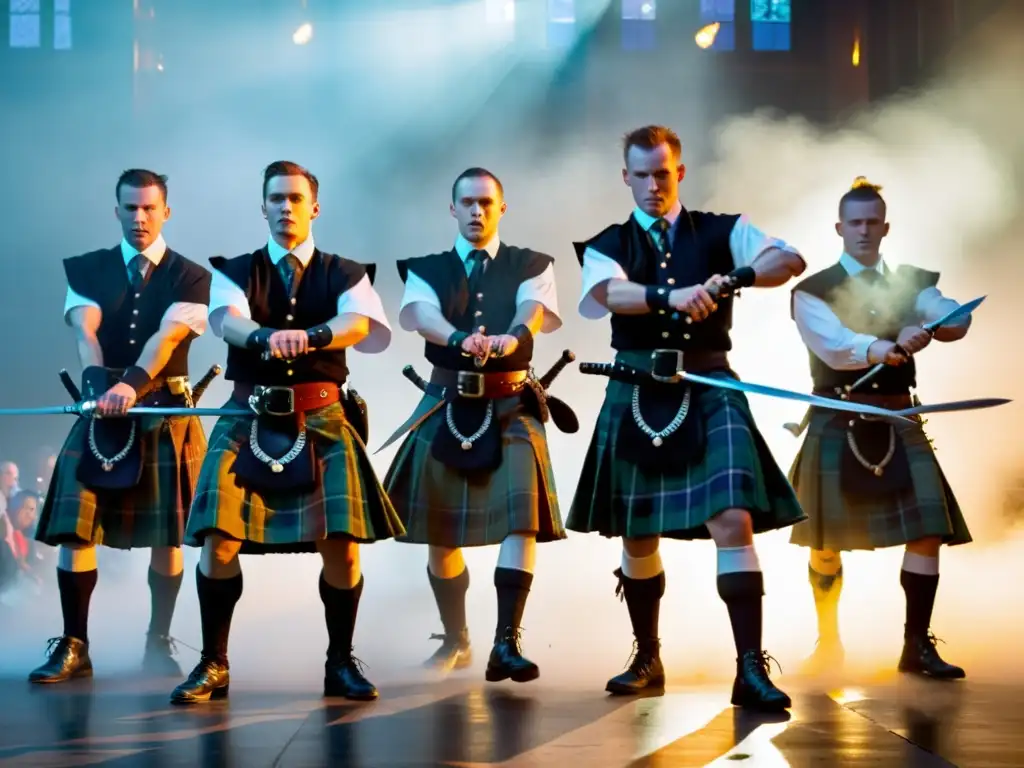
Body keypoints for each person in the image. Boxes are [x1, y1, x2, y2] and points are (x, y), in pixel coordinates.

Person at [566, 125, 806, 712]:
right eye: (641, 174)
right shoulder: (606, 244)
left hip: (709, 381)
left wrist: (738, 276)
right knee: (637, 531)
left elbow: (789, 258)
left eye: (663, 173)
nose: (653, 185)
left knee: (732, 519)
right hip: (637, 385)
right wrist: (670, 297)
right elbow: (608, 296)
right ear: (626, 176)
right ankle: (647, 657)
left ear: (680, 172)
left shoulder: (724, 230)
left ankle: (750, 668)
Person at [170, 161, 404, 705]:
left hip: (322, 417)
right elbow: (228, 320)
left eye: (296, 199)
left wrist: (313, 335)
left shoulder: (346, 273)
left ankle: (340, 662)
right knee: (219, 540)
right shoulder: (235, 270)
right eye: (275, 199)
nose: (285, 208)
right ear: (263, 207)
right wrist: (265, 338)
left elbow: (358, 326)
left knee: (342, 547)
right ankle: (214, 663)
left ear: (314, 207)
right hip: (247, 415)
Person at [383, 167, 565, 683]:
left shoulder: (532, 263)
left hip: (511, 405)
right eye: (467, 202)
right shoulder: (425, 268)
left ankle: (506, 643)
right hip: (446, 403)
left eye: (486, 202)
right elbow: (420, 314)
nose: (477, 211)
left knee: (519, 520)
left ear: (501, 208)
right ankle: (457, 638)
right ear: (453, 209)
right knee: (441, 533)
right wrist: (459, 338)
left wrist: (511, 338)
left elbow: (533, 309)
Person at [30, 168, 211, 682]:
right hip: (100, 410)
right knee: (77, 529)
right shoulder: (86, 270)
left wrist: (129, 385)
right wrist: (95, 385)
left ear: (165, 211)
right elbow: (85, 329)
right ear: (117, 211)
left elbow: (168, 339)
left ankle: (158, 641)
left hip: (163, 411)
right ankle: (75, 644)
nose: (139, 217)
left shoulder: (192, 276)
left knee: (167, 536)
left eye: (149, 208)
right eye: (129, 208)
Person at [788, 177, 970, 679]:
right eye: (856, 222)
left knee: (929, 531)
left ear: (885, 227)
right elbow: (834, 346)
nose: (864, 231)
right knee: (824, 542)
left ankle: (916, 647)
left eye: (873, 222)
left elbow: (952, 318)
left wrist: (933, 324)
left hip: (899, 417)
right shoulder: (812, 290)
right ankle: (829, 644)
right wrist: (883, 347)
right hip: (837, 416)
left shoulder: (911, 283)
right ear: (840, 228)